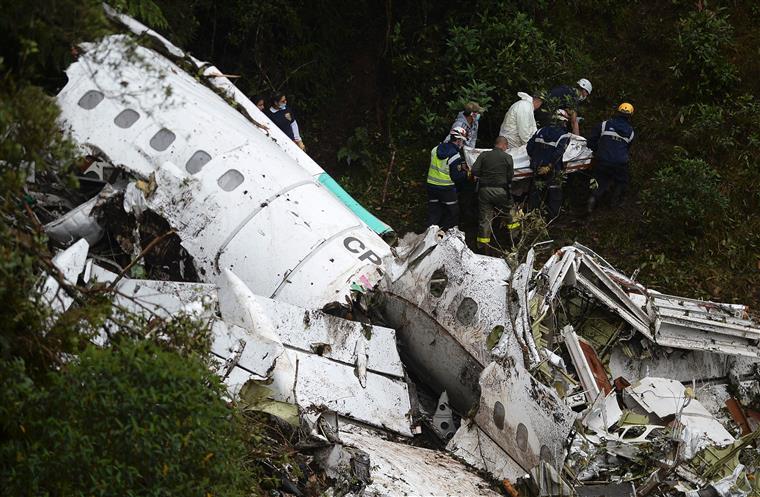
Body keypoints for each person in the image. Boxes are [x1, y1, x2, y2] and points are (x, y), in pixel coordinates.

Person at [470, 136, 518, 250]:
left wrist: (486, 174)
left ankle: (482, 246)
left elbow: (474, 171)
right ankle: (514, 241)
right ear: (504, 145)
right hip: (501, 191)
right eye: (506, 147)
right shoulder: (508, 157)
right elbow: (510, 177)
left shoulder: (484, 155)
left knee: (485, 219)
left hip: (484, 191)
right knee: (511, 215)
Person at [586, 103, 635, 212]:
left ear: (617, 112)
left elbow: (591, 141)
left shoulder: (604, 124)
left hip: (603, 159)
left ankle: (593, 198)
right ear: (630, 116)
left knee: (598, 180)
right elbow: (627, 148)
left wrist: (596, 151)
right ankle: (614, 203)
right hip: (620, 162)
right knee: (622, 181)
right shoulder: (631, 132)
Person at [526, 110, 573, 218]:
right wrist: (549, 166)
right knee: (554, 194)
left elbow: (529, 148)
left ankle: (532, 217)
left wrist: (536, 160)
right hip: (552, 170)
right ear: (564, 122)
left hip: (537, 167)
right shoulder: (564, 136)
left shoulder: (540, 131)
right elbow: (558, 153)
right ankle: (552, 219)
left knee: (535, 193)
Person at [427, 127, 469, 230]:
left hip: (431, 186)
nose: (462, 144)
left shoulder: (435, 149)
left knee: (434, 212)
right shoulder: (455, 155)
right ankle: (445, 236)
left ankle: (429, 236)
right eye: (462, 141)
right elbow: (456, 177)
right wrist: (467, 174)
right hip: (446, 189)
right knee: (452, 213)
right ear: (458, 140)